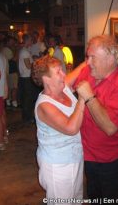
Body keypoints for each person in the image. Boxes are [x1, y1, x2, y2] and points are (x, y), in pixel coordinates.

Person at [67, 35, 118, 200]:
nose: (88, 62)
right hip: (90, 155)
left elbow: (109, 127)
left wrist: (90, 98)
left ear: (111, 58)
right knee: (95, 196)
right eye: (87, 56)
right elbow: (63, 84)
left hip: (113, 160)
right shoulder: (89, 70)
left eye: (93, 57)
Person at [32, 55, 85, 204]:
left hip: (75, 157)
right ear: (46, 79)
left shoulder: (64, 89)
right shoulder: (44, 105)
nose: (63, 74)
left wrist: (90, 60)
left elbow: (80, 69)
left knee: (76, 200)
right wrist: (82, 98)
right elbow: (71, 128)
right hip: (57, 165)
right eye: (58, 72)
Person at [18, 34, 36, 124]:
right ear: (27, 40)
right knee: (28, 99)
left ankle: (27, 117)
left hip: (25, 77)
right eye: (31, 40)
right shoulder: (24, 52)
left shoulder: (25, 51)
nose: (32, 42)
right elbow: (28, 66)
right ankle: (27, 118)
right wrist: (36, 64)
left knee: (28, 98)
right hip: (26, 77)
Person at [1, 36, 19, 108]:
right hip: (11, 71)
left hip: (7, 71)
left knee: (9, 87)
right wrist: (17, 50)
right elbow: (14, 59)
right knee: (14, 87)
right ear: (8, 42)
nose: (13, 43)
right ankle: (14, 102)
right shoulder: (6, 50)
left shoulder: (5, 49)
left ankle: (8, 101)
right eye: (12, 41)